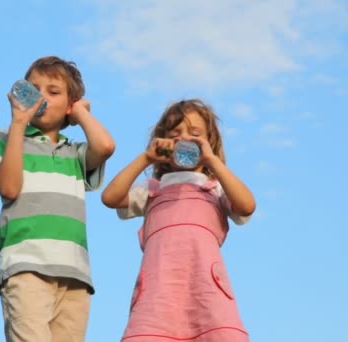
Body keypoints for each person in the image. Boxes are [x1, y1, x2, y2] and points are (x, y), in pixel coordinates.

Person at [0, 56, 115, 342]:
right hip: (26, 266)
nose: (41, 96)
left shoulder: (75, 153)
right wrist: (18, 122)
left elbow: (105, 146)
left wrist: (80, 114)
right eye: (33, 88)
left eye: (53, 92)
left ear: (69, 105)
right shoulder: (3, 139)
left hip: (74, 273)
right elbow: (9, 188)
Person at [101, 99, 255, 341]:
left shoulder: (215, 188)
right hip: (158, 294)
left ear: (208, 143)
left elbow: (247, 206)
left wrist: (212, 161)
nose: (184, 139)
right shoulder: (153, 189)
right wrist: (146, 158)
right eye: (175, 134)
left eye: (195, 134)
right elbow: (110, 197)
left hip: (205, 289)